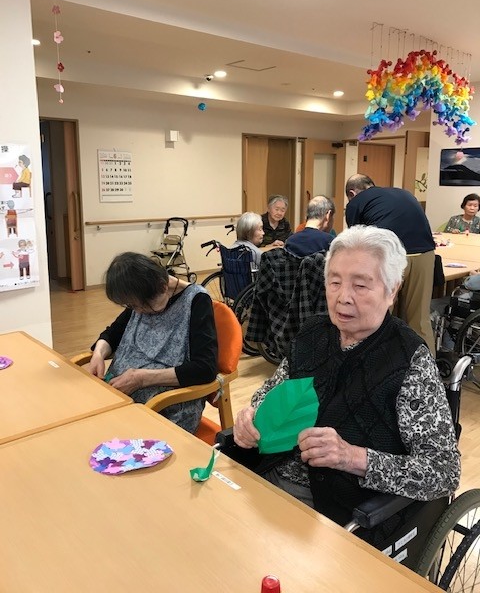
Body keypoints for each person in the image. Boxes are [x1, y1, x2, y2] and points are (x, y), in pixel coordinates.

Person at [234, 225, 460, 537]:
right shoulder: (313, 333)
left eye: (360, 285)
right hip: (266, 477)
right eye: (334, 282)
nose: (343, 298)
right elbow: (269, 393)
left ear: (392, 290)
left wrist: (352, 457)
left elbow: (443, 472)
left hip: (334, 513)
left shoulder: (409, 360)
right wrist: (249, 417)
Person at [88, 252, 218, 434]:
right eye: (131, 306)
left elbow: (205, 369)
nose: (137, 312)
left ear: (163, 287)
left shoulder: (196, 301)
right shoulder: (141, 299)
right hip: (119, 398)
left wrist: (141, 379)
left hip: (165, 408)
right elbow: (112, 333)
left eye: (139, 306)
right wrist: (98, 354)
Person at [345, 174, 436, 354]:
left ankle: (378, 365)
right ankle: (427, 367)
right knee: (419, 319)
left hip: (391, 258)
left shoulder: (356, 203)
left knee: (380, 317)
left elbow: (356, 244)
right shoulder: (403, 193)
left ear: (351, 193)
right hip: (425, 254)